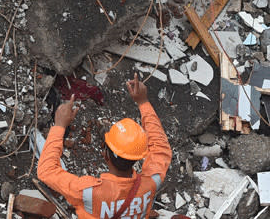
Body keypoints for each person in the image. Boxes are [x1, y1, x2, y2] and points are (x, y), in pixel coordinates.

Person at [38, 73, 172, 219]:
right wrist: (144, 103)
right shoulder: (151, 183)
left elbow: (47, 171)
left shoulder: (89, 192)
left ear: (105, 154)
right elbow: (160, 147)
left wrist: (59, 126)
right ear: (138, 157)